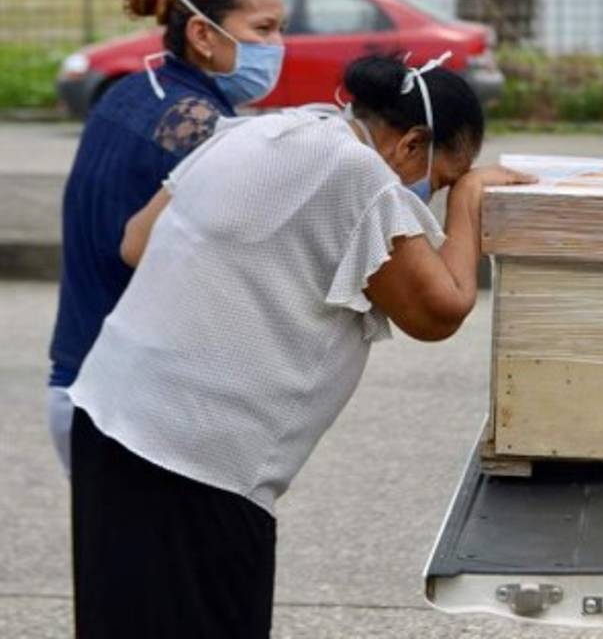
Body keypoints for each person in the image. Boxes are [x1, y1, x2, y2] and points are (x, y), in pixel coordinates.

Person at [66, 51, 533, 637]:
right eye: (441, 180)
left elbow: (138, 241)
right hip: (196, 465)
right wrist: (470, 203)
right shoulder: (359, 174)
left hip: (109, 418)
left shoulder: (259, 129)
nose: (431, 198)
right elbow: (439, 311)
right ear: (412, 144)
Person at [47, 0, 285, 473]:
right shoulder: (198, 126)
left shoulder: (132, 93)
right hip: (127, 406)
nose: (277, 46)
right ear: (203, 33)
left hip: (77, 376)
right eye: (263, 29)